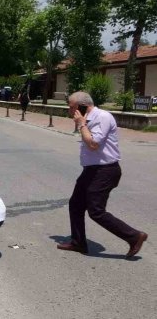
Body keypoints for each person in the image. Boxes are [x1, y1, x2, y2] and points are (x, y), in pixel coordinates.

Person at [57, 91, 148, 257]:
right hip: (91, 170)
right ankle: (78, 243)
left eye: (71, 107)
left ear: (81, 106)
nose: (69, 110)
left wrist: (82, 124)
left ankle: (135, 236)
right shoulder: (88, 119)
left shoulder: (103, 117)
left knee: (96, 211)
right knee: (75, 204)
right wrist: (82, 123)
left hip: (105, 171)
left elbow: (93, 144)